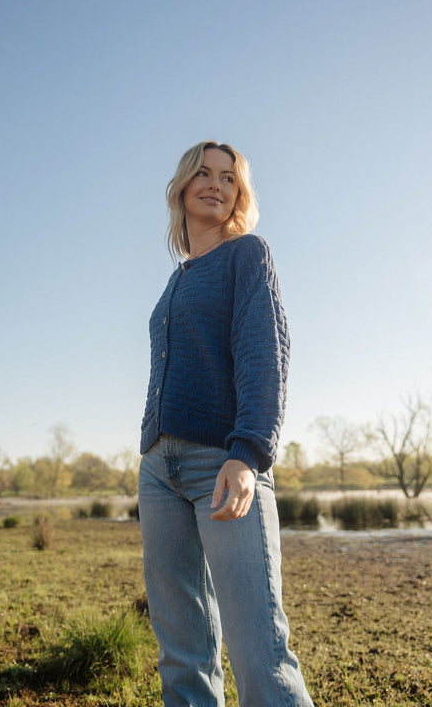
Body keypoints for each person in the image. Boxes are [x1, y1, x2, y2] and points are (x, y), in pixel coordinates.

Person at [138, 140, 314, 707]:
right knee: (181, 650)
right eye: (204, 173)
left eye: (229, 178)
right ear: (182, 187)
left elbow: (266, 352)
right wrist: (149, 450)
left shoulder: (247, 255)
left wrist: (248, 453)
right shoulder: (176, 280)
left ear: (240, 194)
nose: (215, 184)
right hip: (158, 471)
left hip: (222, 461)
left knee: (260, 648)